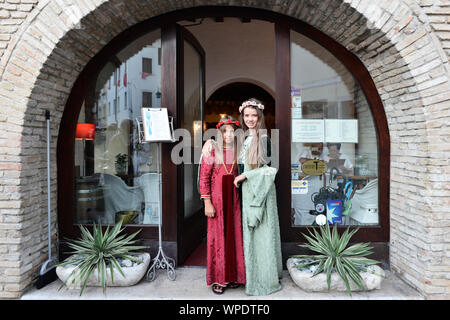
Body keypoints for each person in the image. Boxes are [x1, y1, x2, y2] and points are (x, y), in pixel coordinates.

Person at [233, 98, 283, 296]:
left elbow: (270, 170)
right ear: (242, 117)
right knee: (253, 235)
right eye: (247, 115)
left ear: (260, 117)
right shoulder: (246, 138)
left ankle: (264, 279)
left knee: (261, 235)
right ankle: (254, 275)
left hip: (261, 192)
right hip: (248, 191)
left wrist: (246, 175)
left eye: (254, 115)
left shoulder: (263, 139)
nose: (250, 119)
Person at [199, 116, 246, 294]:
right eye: (225, 131)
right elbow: (204, 178)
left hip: (233, 199)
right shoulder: (212, 150)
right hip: (217, 200)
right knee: (218, 238)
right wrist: (207, 202)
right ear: (219, 133)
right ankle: (219, 278)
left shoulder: (239, 150)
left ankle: (234, 275)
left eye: (232, 131)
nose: (228, 134)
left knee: (233, 236)